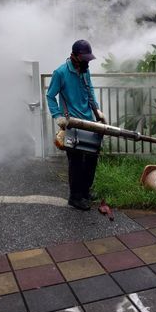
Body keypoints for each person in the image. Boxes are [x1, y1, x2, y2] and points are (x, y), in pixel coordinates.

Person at [47, 40, 106, 210]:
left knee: (91, 158)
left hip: (88, 121)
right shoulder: (60, 73)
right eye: (84, 58)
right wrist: (57, 116)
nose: (87, 61)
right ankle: (75, 196)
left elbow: (90, 90)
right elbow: (50, 96)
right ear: (74, 56)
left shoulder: (85, 71)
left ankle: (85, 191)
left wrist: (97, 111)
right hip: (72, 123)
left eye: (88, 58)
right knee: (76, 161)